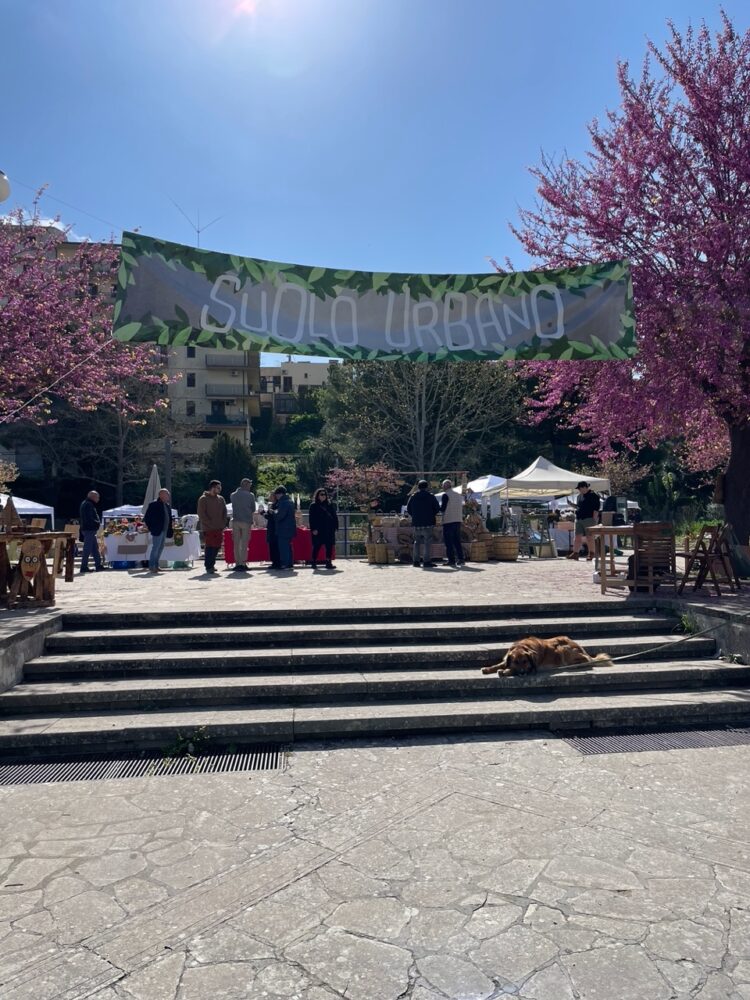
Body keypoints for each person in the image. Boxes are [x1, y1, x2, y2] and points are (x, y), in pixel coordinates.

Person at [407, 480, 440, 568]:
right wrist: (431, 515)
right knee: (427, 542)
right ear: (427, 487)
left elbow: (408, 509)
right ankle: (426, 561)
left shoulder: (413, 496)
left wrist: (414, 516)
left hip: (416, 523)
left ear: (418, 487)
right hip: (428, 523)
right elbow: (437, 508)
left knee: (416, 542)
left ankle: (416, 561)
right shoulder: (431, 496)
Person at [197, 479, 227, 575]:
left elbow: (224, 512)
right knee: (210, 547)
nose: (220, 489)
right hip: (208, 528)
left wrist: (223, 523)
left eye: (220, 487)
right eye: (218, 487)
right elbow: (201, 514)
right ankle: (208, 566)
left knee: (217, 547)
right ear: (212, 488)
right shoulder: (203, 499)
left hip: (219, 528)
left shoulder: (221, 499)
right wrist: (210, 524)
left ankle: (212, 564)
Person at [567, 481, 601, 561]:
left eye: (580, 488)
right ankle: (575, 553)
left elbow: (596, 508)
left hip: (589, 519)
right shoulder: (579, 496)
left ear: (585, 487)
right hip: (579, 519)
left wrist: (594, 520)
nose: (579, 490)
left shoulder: (593, 496)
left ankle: (591, 553)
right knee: (577, 537)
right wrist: (572, 505)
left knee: (590, 537)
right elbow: (579, 507)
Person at [229, 478, 256, 572]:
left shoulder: (233, 495)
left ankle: (237, 563)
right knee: (244, 543)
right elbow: (253, 508)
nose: (250, 487)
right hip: (246, 521)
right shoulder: (250, 495)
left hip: (235, 520)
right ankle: (243, 562)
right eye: (249, 485)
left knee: (236, 543)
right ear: (246, 485)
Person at [144, 488, 173, 574]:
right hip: (157, 530)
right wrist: (152, 527)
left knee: (160, 548)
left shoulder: (167, 506)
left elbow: (169, 519)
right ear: (161, 495)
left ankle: (156, 565)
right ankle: (152, 566)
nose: (168, 496)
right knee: (155, 548)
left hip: (164, 530)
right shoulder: (153, 505)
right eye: (167, 494)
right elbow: (147, 518)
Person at [309, 488, 338, 569]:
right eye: (321, 494)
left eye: (325, 494)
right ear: (317, 495)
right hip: (318, 529)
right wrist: (313, 529)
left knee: (329, 546)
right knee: (316, 546)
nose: (323, 496)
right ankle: (313, 562)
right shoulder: (313, 506)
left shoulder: (329, 505)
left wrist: (336, 526)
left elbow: (334, 516)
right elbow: (311, 519)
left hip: (329, 529)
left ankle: (328, 562)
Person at [439, 479, 465, 567]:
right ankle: (461, 559)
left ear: (446, 486)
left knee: (449, 542)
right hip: (458, 520)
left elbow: (443, 508)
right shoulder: (458, 495)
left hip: (448, 521)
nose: (442, 487)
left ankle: (451, 560)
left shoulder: (445, 495)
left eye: (442, 485)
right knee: (457, 541)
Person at [272, 485, 296, 570]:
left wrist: (273, 513)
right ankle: (289, 563)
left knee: (283, 547)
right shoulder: (290, 501)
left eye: (276, 494)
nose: (276, 496)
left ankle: (285, 564)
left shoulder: (283, 502)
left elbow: (280, 516)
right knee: (288, 547)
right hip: (290, 528)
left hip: (283, 528)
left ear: (280, 494)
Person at [79, 490, 103, 573]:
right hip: (89, 529)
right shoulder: (88, 505)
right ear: (93, 497)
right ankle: (83, 567)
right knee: (87, 549)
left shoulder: (86, 503)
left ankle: (98, 565)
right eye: (97, 497)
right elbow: (90, 518)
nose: (98, 499)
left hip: (88, 529)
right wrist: (97, 523)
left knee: (94, 548)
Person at [264, 489, 281, 569]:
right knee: (272, 545)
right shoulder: (272, 504)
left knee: (274, 545)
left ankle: (276, 562)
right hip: (271, 527)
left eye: (271, 496)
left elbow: (273, 517)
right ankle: (274, 562)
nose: (269, 497)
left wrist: (264, 514)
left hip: (274, 528)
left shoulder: (277, 505)